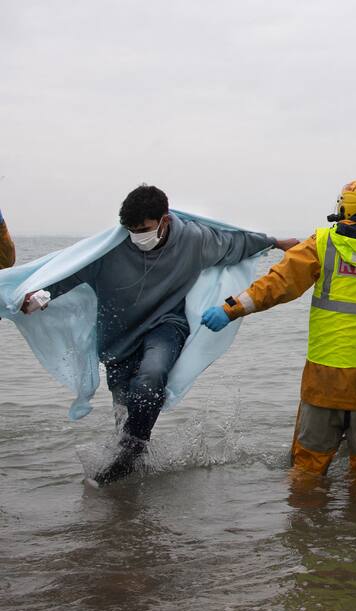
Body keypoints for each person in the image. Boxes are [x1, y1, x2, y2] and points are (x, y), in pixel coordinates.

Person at [20, 185, 296, 485]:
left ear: (164, 220)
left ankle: (126, 462)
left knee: (151, 378)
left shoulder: (193, 240)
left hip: (166, 325)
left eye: (144, 229)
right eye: (131, 229)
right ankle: (133, 467)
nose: (137, 235)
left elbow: (234, 244)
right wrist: (40, 295)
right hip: (118, 338)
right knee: (125, 414)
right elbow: (71, 272)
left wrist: (277, 243)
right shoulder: (110, 251)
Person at [201, 177, 356, 483]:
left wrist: (229, 309)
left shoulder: (322, 244)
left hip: (324, 380)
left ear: (345, 208)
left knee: (308, 470)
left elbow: (276, 286)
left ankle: (307, 529)